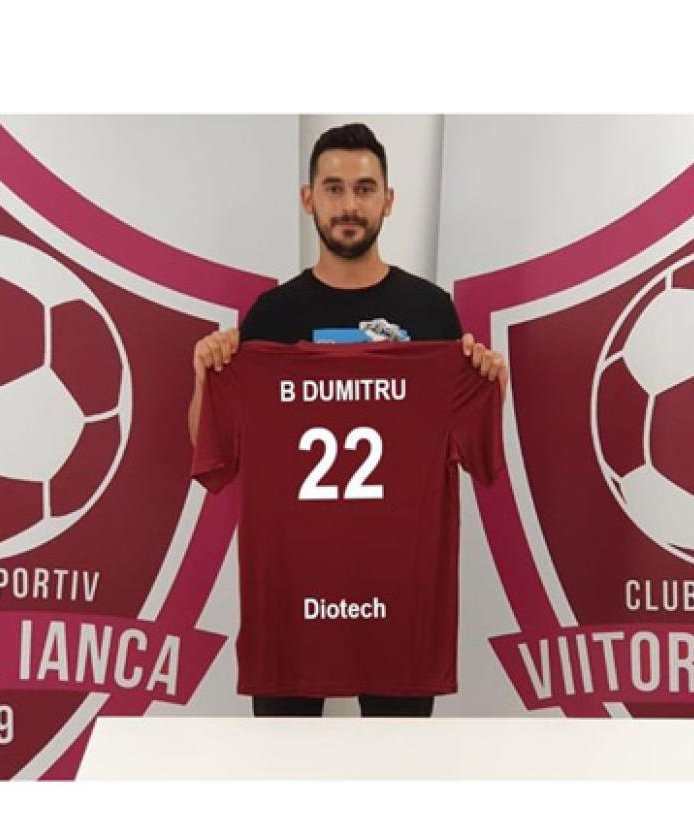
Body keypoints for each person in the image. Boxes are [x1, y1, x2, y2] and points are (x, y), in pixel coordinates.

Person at [187, 122, 507, 718]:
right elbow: (215, 455)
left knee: (398, 764)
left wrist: (488, 384)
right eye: (334, 188)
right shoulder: (272, 315)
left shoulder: (431, 312)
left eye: (364, 189)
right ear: (308, 198)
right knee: (285, 762)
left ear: (388, 200)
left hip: (400, 604)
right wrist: (208, 376)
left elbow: (476, 454)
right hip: (292, 603)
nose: (349, 205)